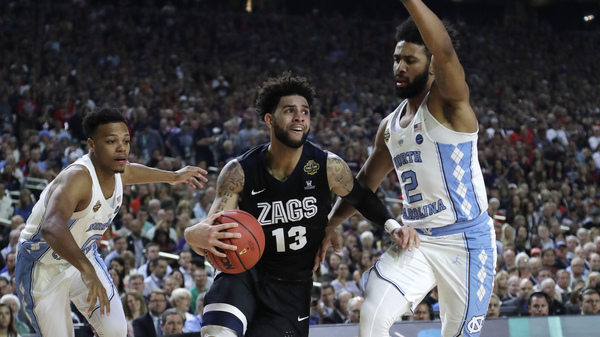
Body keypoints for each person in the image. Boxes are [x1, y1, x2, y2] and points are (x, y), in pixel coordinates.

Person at [316, 1, 496, 336]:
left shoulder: (450, 104)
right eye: (397, 59)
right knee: (371, 319)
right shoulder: (389, 125)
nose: (400, 66)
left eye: (410, 60)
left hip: (466, 243)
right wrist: (331, 223)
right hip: (416, 240)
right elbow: (365, 182)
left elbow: (443, 48)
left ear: (432, 68)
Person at [184, 72, 407, 337]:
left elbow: (361, 196)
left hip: (291, 288)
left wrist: (392, 226)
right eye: (290, 111)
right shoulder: (239, 172)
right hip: (244, 274)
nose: (299, 117)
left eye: (305, 111)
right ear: (269, 120)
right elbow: (212, 236)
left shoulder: (327, 166)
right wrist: (191, 234)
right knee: (217, 333)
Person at [15, 108, 208, 337]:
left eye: (125, 141)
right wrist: (87, 270)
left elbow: (133, 173)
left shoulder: (118, 171)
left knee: (116, 331)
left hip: (82, 256)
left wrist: (173, 176)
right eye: (111, 141)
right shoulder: (77, 178)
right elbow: (51, 227)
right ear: (92, 145)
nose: (121, 148)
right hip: (42, 267)